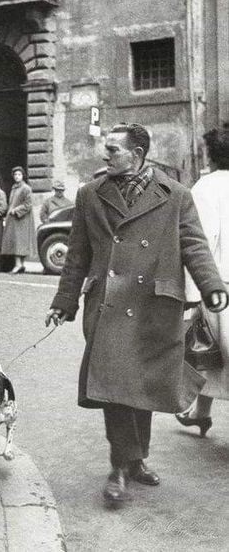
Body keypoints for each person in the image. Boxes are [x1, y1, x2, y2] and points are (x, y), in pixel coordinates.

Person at [45, 123, 228, 506]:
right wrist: (64, 302)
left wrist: (212, 286)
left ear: (138, 154)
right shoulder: (89, 195)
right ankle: (119, 465)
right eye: (105, 149)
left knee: (141, 386)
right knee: (114, 386)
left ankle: (136, 458)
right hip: (108, 305)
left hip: (154, 305)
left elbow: (194, 244)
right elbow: (78, 255)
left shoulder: (175, 195)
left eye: (113, 149)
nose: (105, 155)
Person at [176, 124, 229, 435]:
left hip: (219, 287)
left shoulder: (206, 188)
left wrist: (192, 295)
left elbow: (200, 244)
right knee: (213, 354)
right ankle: (199, 411)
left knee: (211, 351)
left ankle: (199, 411)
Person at [1, 166, 37, 274]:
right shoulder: (14, 187)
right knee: (15, 241)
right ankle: (20, 264)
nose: (17, 177)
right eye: (15, 175)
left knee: (19, 242)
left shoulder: (26, 188)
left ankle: (18, 264)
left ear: (23, 176)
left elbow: (28, 204)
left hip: (22, 219)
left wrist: (16, 210)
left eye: (19, 175)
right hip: (13, 219)